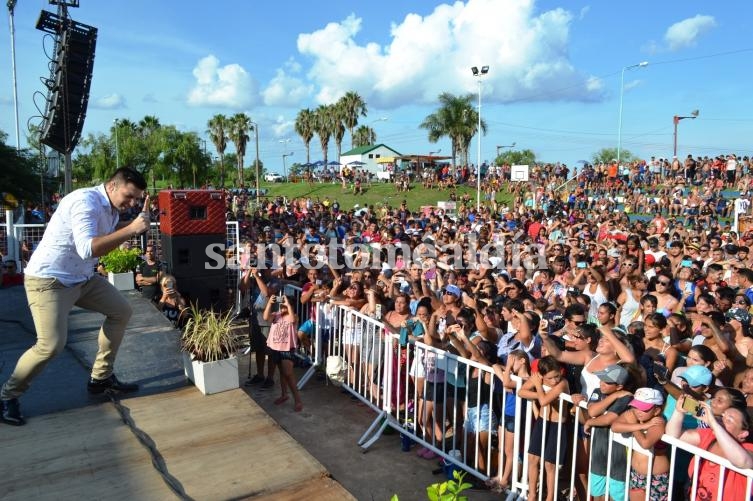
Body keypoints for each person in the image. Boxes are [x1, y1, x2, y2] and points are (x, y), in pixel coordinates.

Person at [1, 167, 151, 426]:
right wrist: (131, 229)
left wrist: (134, 224)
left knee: (121, 311)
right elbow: (87, 248)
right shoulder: (85, 202)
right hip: (49, 281)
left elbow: (102, 238)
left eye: (136, 199)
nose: (132, 203)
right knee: (50, 345)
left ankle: (100, 378)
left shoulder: (112, 208)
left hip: (81, 279)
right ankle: (7, 396)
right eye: (129, 196)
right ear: (112, 186)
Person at [263, 293, 303, 412]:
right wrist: (270, 303)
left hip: (287, 349)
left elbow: (291, 319)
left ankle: (298, 400)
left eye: (286, 306)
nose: (283, 308)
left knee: (288, 374)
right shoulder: (276, 315)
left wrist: (288, 305)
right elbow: (266, 317)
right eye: (282, 305)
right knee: (282, 373)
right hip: (275, 348)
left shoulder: (294, 316)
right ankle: (284, 394)